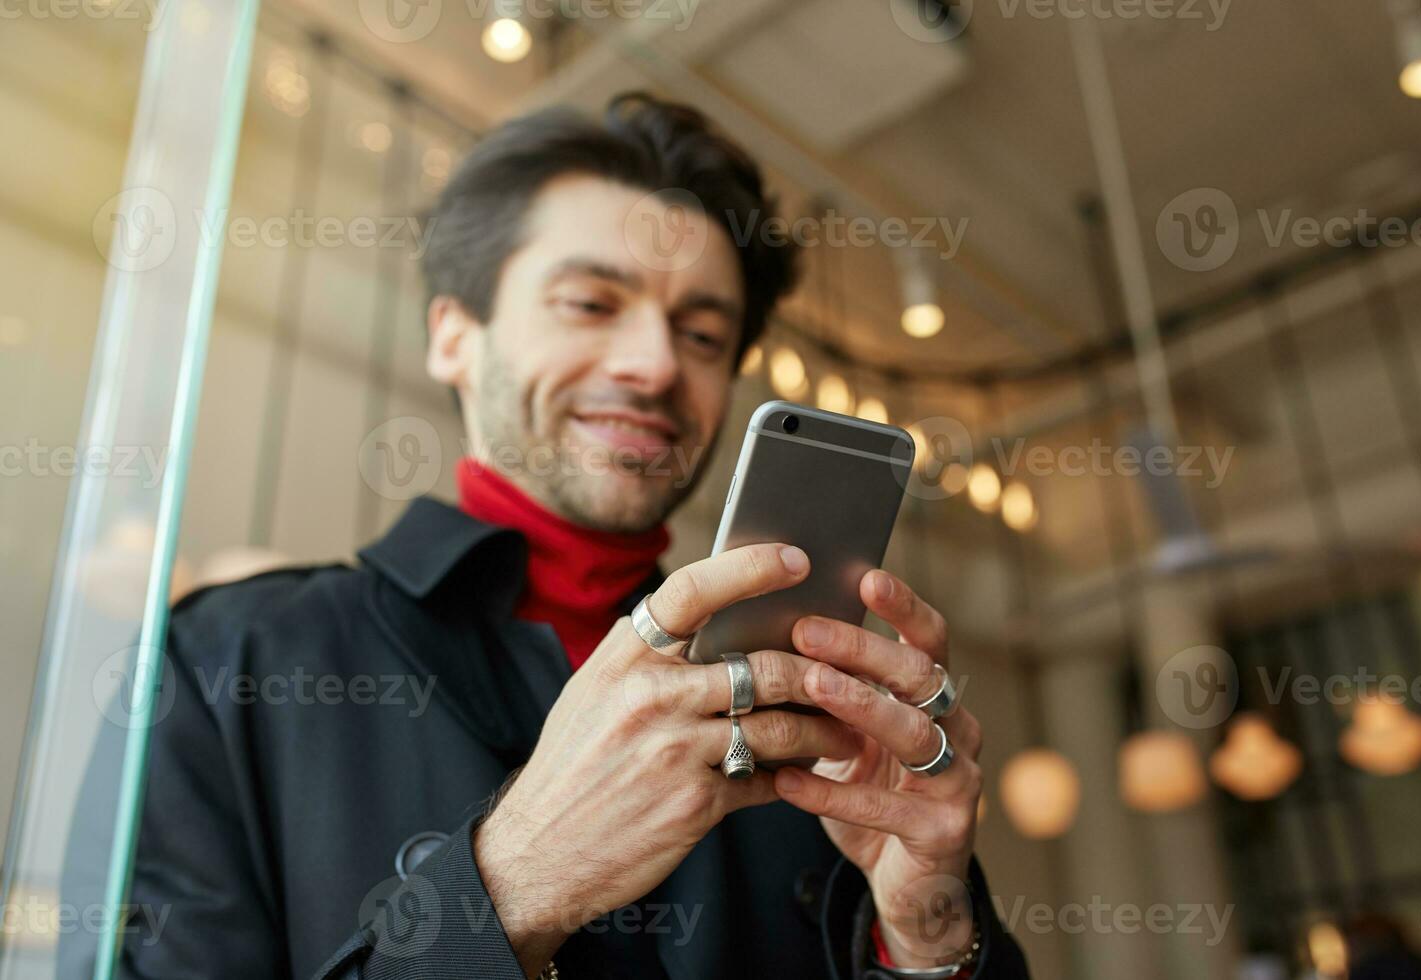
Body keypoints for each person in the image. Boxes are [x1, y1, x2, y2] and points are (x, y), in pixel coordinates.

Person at [69, 93, 1028, 980]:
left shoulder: (810, 722)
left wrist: (929, 930)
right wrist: (514, 883)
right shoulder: (221, 665)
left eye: (701, 334)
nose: (654, 364)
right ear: (453, 332)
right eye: (591, 304)